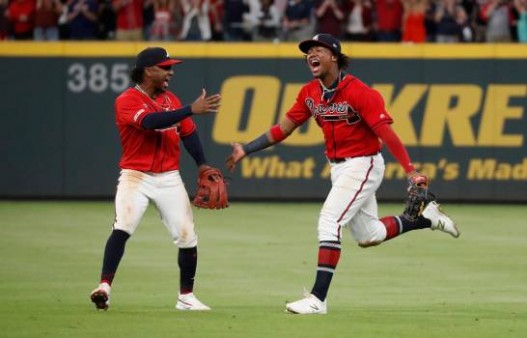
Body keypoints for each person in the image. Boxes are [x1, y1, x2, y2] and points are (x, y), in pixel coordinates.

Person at [226, 33, 460, 315]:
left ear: (334, 56)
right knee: (368, 235)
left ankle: (317, 299)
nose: (310, 55)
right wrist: (246, 149)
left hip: (363, 163)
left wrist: (411, 170)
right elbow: (283, 128)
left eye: (317, 50)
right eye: (307, 51)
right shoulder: (309, 94)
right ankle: (425, 219)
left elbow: (386, 133)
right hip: (339, 168)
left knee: (329, 221)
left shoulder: (360, 92)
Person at [90, 47, 222, 311]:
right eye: (166, 67)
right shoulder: (127, 100)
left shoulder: (172, 100)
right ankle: (104, 286)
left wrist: (202, 163)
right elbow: (150, 122)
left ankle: (186, 297)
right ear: (148, 70)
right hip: (136, 176)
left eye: (171, 67)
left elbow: (188, 134)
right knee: (124, 225)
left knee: (187, 236)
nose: (171, 72)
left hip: (169, 178)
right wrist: (189, 109)